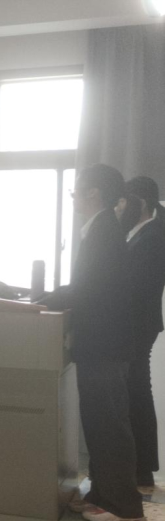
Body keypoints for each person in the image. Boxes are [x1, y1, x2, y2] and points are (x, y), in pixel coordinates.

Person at [42, 165, 145, 521]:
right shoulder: (101, 228)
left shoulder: (104, 231)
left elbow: (88, 289)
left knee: (109, 424)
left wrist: (44, 300)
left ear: (93, 193)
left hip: (105, 345)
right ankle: (102, 494)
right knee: (100, 422)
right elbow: (89, 286)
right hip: (102, 344)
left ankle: (125, 507)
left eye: (76, 191)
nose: (73, 198)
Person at [123, 177, 166, 488]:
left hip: (137, 323)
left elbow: (136, 285)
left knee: (136, 390)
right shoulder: (144, 231)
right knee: (137, 389)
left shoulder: (153, 234)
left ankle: (141, 467)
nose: (120, 206)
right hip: (139, 322)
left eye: (124, 200)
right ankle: (142, 467)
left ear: (140, 201)